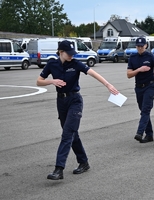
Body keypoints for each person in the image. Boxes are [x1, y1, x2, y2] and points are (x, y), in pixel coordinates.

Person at [36, 40, 119, 180]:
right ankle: (84, 162)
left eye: (72, 53)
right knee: (72, 133)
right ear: (60, 52)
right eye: (68, 53)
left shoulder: (75, 64)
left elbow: (93, 73)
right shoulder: (52, 64)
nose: (71, 56)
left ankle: (59, 169)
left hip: (75, 101)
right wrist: (52, 81)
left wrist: (108, 85)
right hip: (61, 101)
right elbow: (39, 81)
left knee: (67, 133)